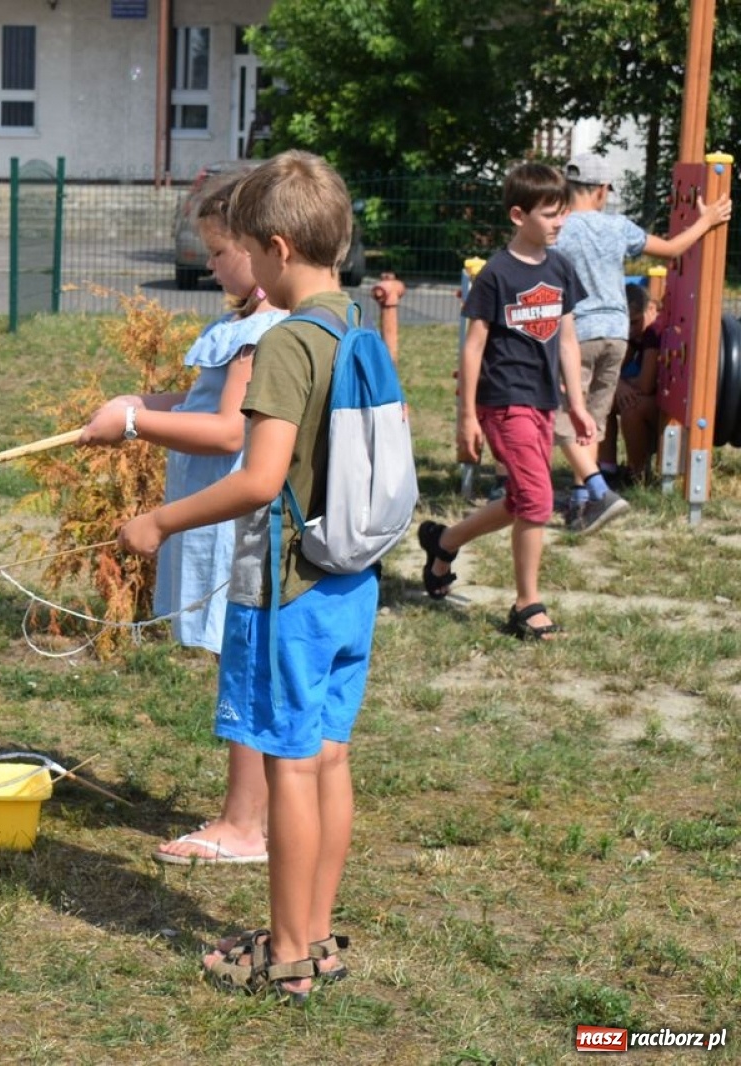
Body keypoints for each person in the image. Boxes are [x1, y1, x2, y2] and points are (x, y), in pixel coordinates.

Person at [117, 150, 378, 1002]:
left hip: (289, 586)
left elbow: (259, 479)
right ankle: (315, 936)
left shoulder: (286, 341)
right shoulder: (357, 328)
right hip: (351, 580)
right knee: (328, 759)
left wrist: (161, 521)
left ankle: (289, 955)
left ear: (276, 249)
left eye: (247, 250)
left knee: (289, 766)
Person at [80, 172, 281, 867]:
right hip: (227, 519)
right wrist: (139, 402)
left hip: (233, 522)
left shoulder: (261, 332)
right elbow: (203, 402)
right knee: (243, 660)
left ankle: (243, 824)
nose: (212, 265)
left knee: (244, 664)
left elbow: (227, 430)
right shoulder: (241, 325)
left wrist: (137, 425)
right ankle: (259, 812)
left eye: (221, 251)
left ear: (258, 248)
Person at [418, 162, 593, 641]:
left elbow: (569, 341)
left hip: (543, 402)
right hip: (503, 401)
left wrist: (577, 404)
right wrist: (467, 417)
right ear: (519, 215)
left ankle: (443, 542)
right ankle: (526, 605)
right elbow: (473, 347)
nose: (560, 222)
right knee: (537, 500)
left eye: (563, 213)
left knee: (520, 500)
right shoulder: (496, 273)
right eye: (551, 214)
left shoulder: (560, 267)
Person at [552, 153, 731, 533]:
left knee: (570, 415)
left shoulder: (559, 228)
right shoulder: (617, 226)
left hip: (576, 333)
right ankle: (585, 497)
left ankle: (589, 493)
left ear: (567, 189)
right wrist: (706, 221)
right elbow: (671, 249)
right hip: (616, 334)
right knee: (593, 418)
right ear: (602, 191)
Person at [602, 284, 662, 484]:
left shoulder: (654, 331)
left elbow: (646, 385)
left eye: (634, 322)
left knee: (631, 408)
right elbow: (610, 373)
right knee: (604, 399)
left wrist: (623, 384)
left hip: (666, 408)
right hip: (652, 400)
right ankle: (606, 467)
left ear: (651, 308)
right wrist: (619, 385)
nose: (629, 329)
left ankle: (637, 475)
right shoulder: (638, 334)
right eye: (624, 323)